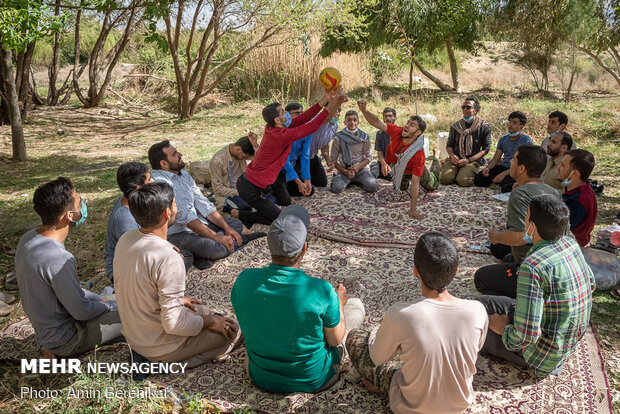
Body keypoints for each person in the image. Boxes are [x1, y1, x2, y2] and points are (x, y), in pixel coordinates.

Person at [346, 232, 488, 414]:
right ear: (456, 272)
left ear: (415, 271)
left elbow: (377, 358)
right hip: (458, 406)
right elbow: (476, 348)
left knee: (356, 338)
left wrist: (376, 333)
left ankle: (386, 387)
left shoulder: (401, 314)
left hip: (409, 407)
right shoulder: (477, 310)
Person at [231, 205, 365, 393]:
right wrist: (339, 303)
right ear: (304, 247)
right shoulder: (322, 290)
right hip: (313, 378)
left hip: (261, 375)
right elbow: (335, 340)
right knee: (356, 306)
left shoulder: (244, 279)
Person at [114, 182, 241, 366]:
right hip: (158, 345)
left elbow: (140, 284)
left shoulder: (127, 238)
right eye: (174, 204)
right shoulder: (168, 258)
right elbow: (174, 324)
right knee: (234, 332)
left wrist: (181, 302)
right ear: (167, 213)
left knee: (202, 310)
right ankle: (162, 364)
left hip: (135, 336)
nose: (176, 208)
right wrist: (209, 321)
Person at [476, 194, 594, 378]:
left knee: (474, 324)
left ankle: (531, 358)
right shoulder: (570, 243)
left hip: (541, 354)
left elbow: (526, 336)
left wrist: (504, 329)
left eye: (526, 216)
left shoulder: (533, 266)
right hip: (565, 340)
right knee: (483, 302)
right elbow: (591, 282)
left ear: (532, 226)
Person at [15, 177, 122, 357]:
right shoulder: (58, 258)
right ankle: (59, 352)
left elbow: (67, 295)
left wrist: (100, 300)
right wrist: (107, 306)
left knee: (122, 298)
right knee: (140, 314)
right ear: (69, 215)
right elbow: (81, 311)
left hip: (52, 328)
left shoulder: (28, 238)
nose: (84, 205)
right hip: (69, 337)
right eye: (80, 203)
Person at [236, 88, 346, 225]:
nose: (286, 113)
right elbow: (311, 126)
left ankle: (264, 203)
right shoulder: (280, 135)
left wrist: (326, 98)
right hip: (250, 188)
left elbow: (305, 118)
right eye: (283, 111)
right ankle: (240, 214)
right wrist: (331, 104)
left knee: (282, 204)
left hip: (262, 181)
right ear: (277, 119)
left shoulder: (274, 127)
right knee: (279, 220)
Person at [149, 140, 263, 269]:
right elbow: (186, 219)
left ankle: (201, 253)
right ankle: (232, 242)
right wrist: (217, 238)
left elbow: (203, 203)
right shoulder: (160, 182)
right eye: (175, 154)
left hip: (198, 223)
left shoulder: (183, 174)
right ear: (164, 163)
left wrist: (227, 228)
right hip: (177, 233)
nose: (180, 154)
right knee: (216, 248)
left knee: (233, 224)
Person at [474, 145, 566, 298]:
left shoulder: (520, 194)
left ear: (522, 168)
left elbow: (520, 237)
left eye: (514, 160)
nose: (510, 162)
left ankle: (522, 295)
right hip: (553, 259)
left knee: (481, 278)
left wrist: (496, 236)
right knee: (505, 255)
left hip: (535, 268)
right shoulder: (553, 191)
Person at [104, 162, 193, 282]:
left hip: (143, 252)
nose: (153, 181)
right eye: (149, 179)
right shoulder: (126, 221)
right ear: (139, 189)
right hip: (127, 271)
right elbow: (139, 258)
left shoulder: (130, 199)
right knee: (180, 259)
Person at [357, 101, 440, 220]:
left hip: (413, 170)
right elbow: (377, 123)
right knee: (400, 189)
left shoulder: (419, 154)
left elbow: (416, 183)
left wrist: (412, 210)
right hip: (400, 167)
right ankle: (404, 181)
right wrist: (364, 111)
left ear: (418, 133)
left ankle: (436, 157)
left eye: (412, 125)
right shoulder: (397, 131)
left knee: (432, 185)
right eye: (408, 122)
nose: (407, 126)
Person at [209, 134, 276, 227]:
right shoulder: (217, 161)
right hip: (231, 194)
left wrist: (255, 145)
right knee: (246, 207)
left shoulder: (240, 153)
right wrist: (240, 192)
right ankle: (240, 215)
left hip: (246, 188)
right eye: (244, 157)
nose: (245, 159)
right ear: (238, 149)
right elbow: (218, 189)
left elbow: (261, 158)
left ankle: (252, 216)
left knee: (272, 201)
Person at [474, 111, 532, 193]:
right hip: (504, 166)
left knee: (506, 188)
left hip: (516, 169)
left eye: (514, 123)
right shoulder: (503, 139)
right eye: (510, 122)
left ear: (521, 126)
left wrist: (504, 174)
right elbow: (496, 159)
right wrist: (487, 168)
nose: (510, 124)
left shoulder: (526, 140)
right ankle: (501, 179)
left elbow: (524, 163)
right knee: (479, 179)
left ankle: (510, 183)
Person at [440, 97, 492, 187]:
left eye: (468, 107)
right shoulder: (456, 126)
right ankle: (454, 170)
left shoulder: (483, 127)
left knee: (463, 181)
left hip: (472, 160)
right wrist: (452, 156)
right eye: (463, 107)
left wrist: (469, 160)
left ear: (475, 110)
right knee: (445, 179)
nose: (465, 109)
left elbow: (485, 149)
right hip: (455, 159)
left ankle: (461, 173)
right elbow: (449, 145)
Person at [330, 110, 378, 194]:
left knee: (373, 187)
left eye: (354, 120)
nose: (352, 122)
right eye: (349, 120)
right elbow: (334, 160)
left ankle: (361, 178)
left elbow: (369, 157)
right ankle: (345, 179)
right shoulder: (338, 138)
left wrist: (358, 166)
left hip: (361, 169)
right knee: (336, 188)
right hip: (345, 169)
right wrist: (345, 172)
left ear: (358, 122)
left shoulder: (364, 137)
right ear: (345, 122)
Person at [557, 149, 598, 246]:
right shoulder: (575, 190)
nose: (558, 167)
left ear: (574, 174)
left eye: (562, 165)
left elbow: (559, 233)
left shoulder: (578, 201)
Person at [282, 103, 315, 198]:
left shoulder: (306, 131)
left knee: (310, 190)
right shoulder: (282, 131)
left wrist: (306, 180)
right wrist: (298, 181)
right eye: (296, 113)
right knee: (284, 199)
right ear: (287, 115)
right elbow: (284, 160)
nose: (300, 115)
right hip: (278, 167)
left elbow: (305, 156)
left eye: (302, 112)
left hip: (293, 165)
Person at [308, 107, 341, 187]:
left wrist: (328, 160)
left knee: (322, 182)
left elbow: (325, 144)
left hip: (312, 157)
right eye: (333, 110)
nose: (336, 113)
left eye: (338, 110)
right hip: (300, 157)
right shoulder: (319, 121)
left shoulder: (335, 126)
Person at [369, 107, 397, 181]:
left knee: (392, 176)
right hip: (383, 162)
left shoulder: (401, 133)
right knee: (371, 174)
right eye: (385, 116)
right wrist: (384, 164)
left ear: (395, 118)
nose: (387, 118)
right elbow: (380, 153)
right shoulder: (380, 134)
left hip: (396, 163)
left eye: (390, 116)